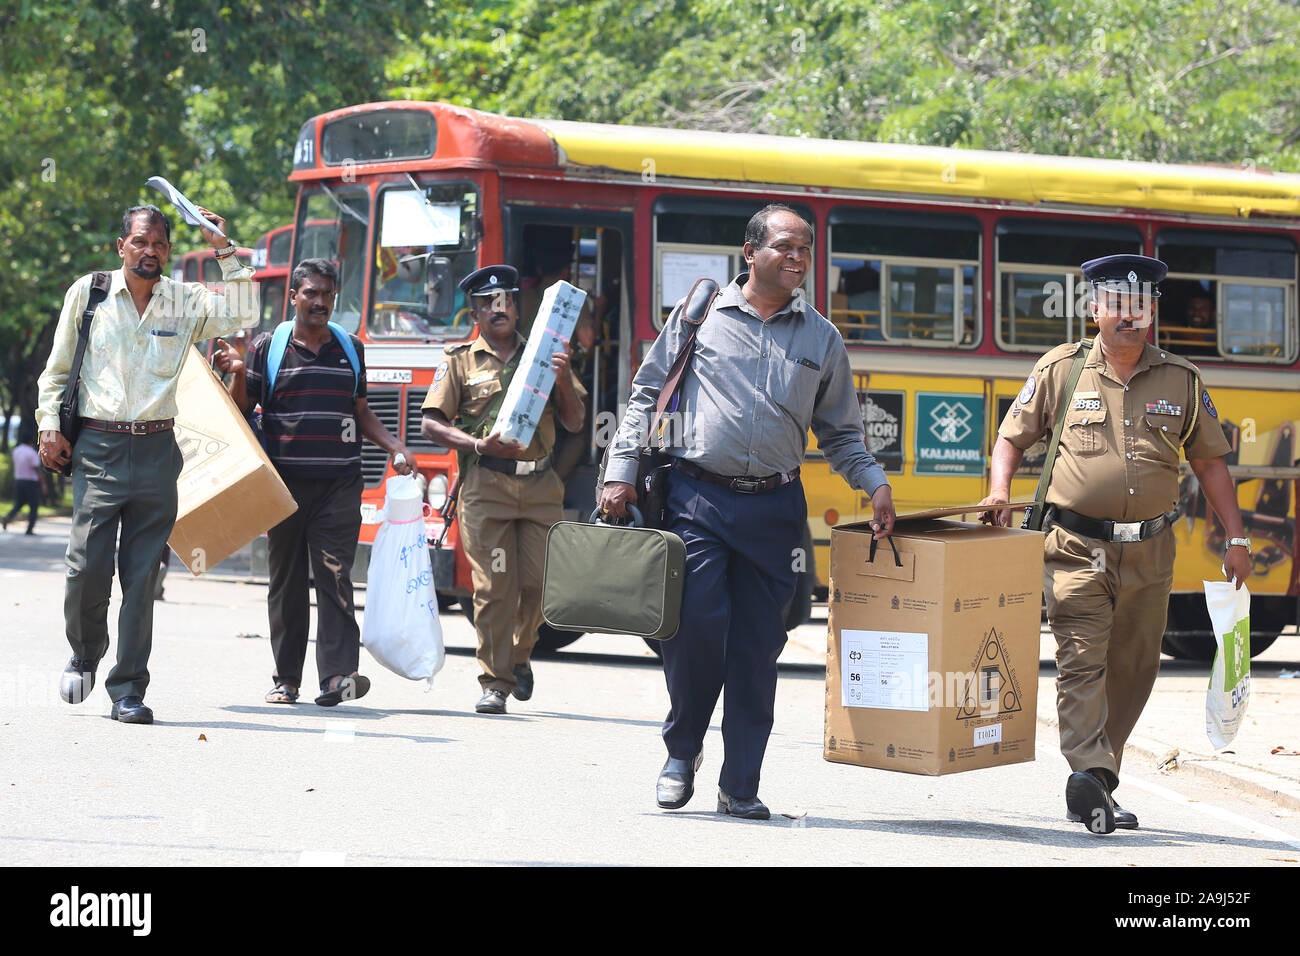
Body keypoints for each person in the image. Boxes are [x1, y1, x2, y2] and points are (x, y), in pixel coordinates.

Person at [600, 204, 894, 819]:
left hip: (776, 510)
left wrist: (873, 483)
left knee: (760, 649)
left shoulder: (821, 337)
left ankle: (741, 785)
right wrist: (620, 471)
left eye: (806, 249)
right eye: (785, 246)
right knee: (694, 629)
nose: (797, 258)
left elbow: (839, 433)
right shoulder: (698, 317)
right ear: (750, 253)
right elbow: (646, 395)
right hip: (696, 500)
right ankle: (682, 752)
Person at [978, 254, 1250, 835]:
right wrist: (999, 490)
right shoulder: (1061, 370)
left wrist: (1236, 536)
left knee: (1135, 668)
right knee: (1082, 660)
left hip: (1151, 552)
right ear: (1094, 309)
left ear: (1153, 312)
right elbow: (1010, 437)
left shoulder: (1182, 377)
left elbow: (1210, 462)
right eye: (1119, 306)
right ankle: (1090, 768)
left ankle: (1100, 779)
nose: (1131, 317)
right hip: (1076, 545)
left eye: (1142, 306)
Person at [37, 203, 256, 724]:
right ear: (122, 246)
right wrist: (49, 425)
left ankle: (128, 688)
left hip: (157, 451)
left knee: (141, 578)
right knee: (86, 566)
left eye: (159, 244)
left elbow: (245, 313)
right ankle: (86, 651)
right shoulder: (88, 294)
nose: (150, 251)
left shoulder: (184, 303)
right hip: (98, 449)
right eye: (140, 241)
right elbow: (57, 369)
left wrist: (223, 247)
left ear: (169, 251)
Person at [215, 258, 413, 707]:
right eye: (311, 293)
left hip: (339, 483)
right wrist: (236, 370)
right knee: (286, 582)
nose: (320, 301)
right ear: (294, 296)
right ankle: (286, 679)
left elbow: (360, 412)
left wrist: (395, 446)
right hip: (282, 484)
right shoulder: (270, 347)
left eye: (327, 294)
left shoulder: (351, 348)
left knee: (336, 575)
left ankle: (338, 676)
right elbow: (242, 409)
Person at [421, 265, 586, 715]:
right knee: (494, 587)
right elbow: (431, 423)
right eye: (490, 303)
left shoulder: (544, 356)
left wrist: (564, 372)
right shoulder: (459, 361)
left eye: (508, 301)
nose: (500, 308)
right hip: (487, 487)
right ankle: (495, 682)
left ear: (517, 308)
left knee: (539, 585)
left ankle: (518, 655)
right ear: (475, 311)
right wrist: (477, 443)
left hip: (539, 487)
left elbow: (575, 422)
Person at [3, 429, 43, 534]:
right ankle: (29, 529)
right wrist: (43, 483)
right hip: (31, 481)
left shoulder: (16, 451)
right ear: (31, 440)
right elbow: (36, 468)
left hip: (19, 480)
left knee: (19, 503)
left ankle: (8, 517)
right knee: (33, 506)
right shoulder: (31, 452)